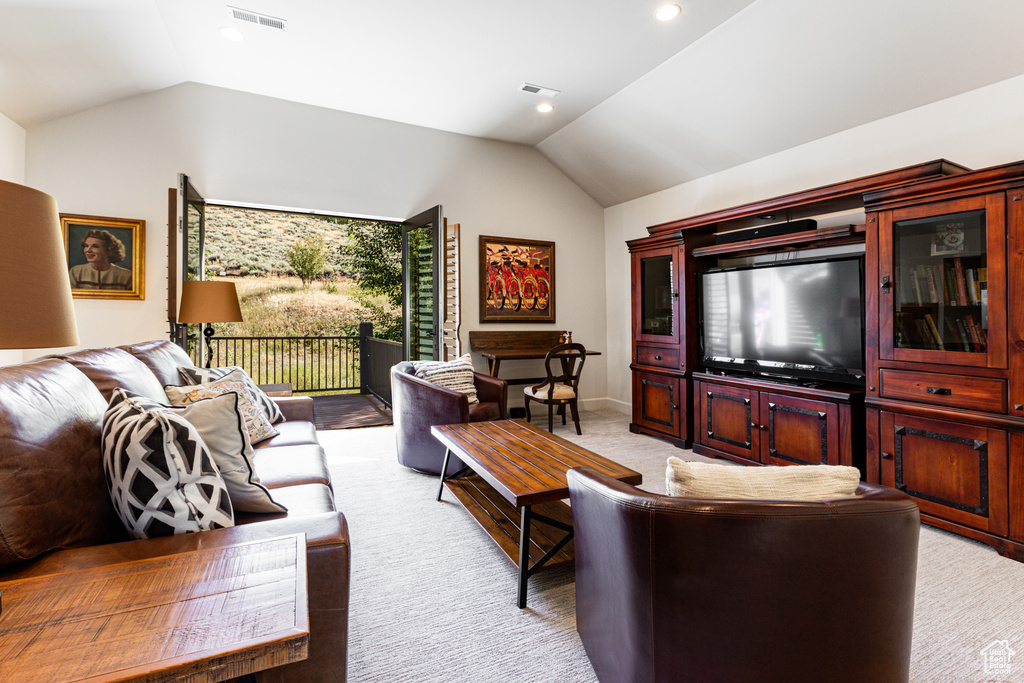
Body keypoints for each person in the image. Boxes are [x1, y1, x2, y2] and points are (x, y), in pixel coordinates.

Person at [68, 229, 133, 290]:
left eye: (95, 246)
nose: (88, 250)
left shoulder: (127, 276)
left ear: (109, 250)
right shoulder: (76, 272)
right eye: (86, 246)